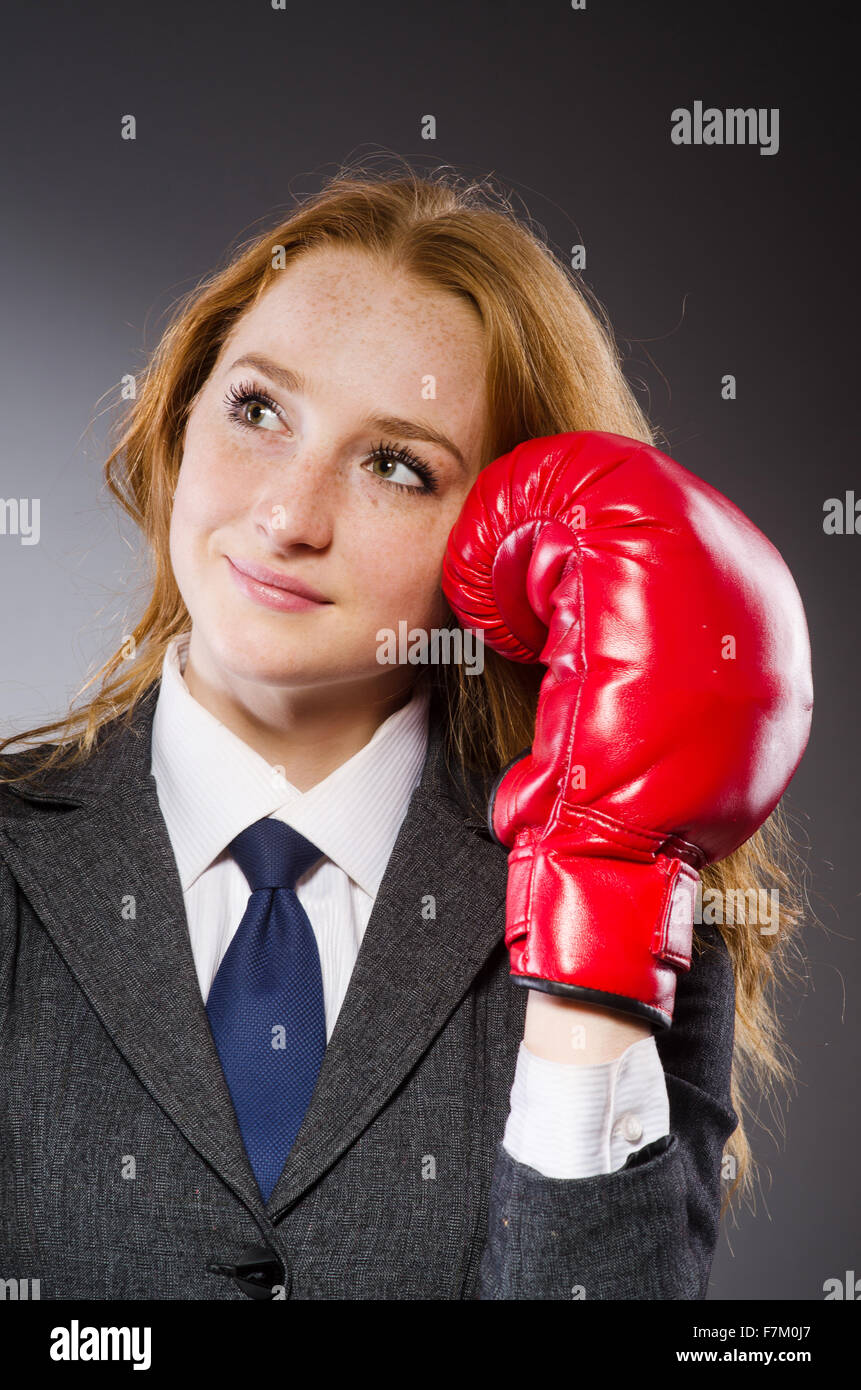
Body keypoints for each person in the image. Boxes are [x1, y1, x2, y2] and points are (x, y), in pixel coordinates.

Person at [0, 163, 812, 1300]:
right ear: (180, 411)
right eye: (259, 408)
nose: (287, 516)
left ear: (509, 543)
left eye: (395, 466)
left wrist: (592, 933)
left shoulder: (632, 902)